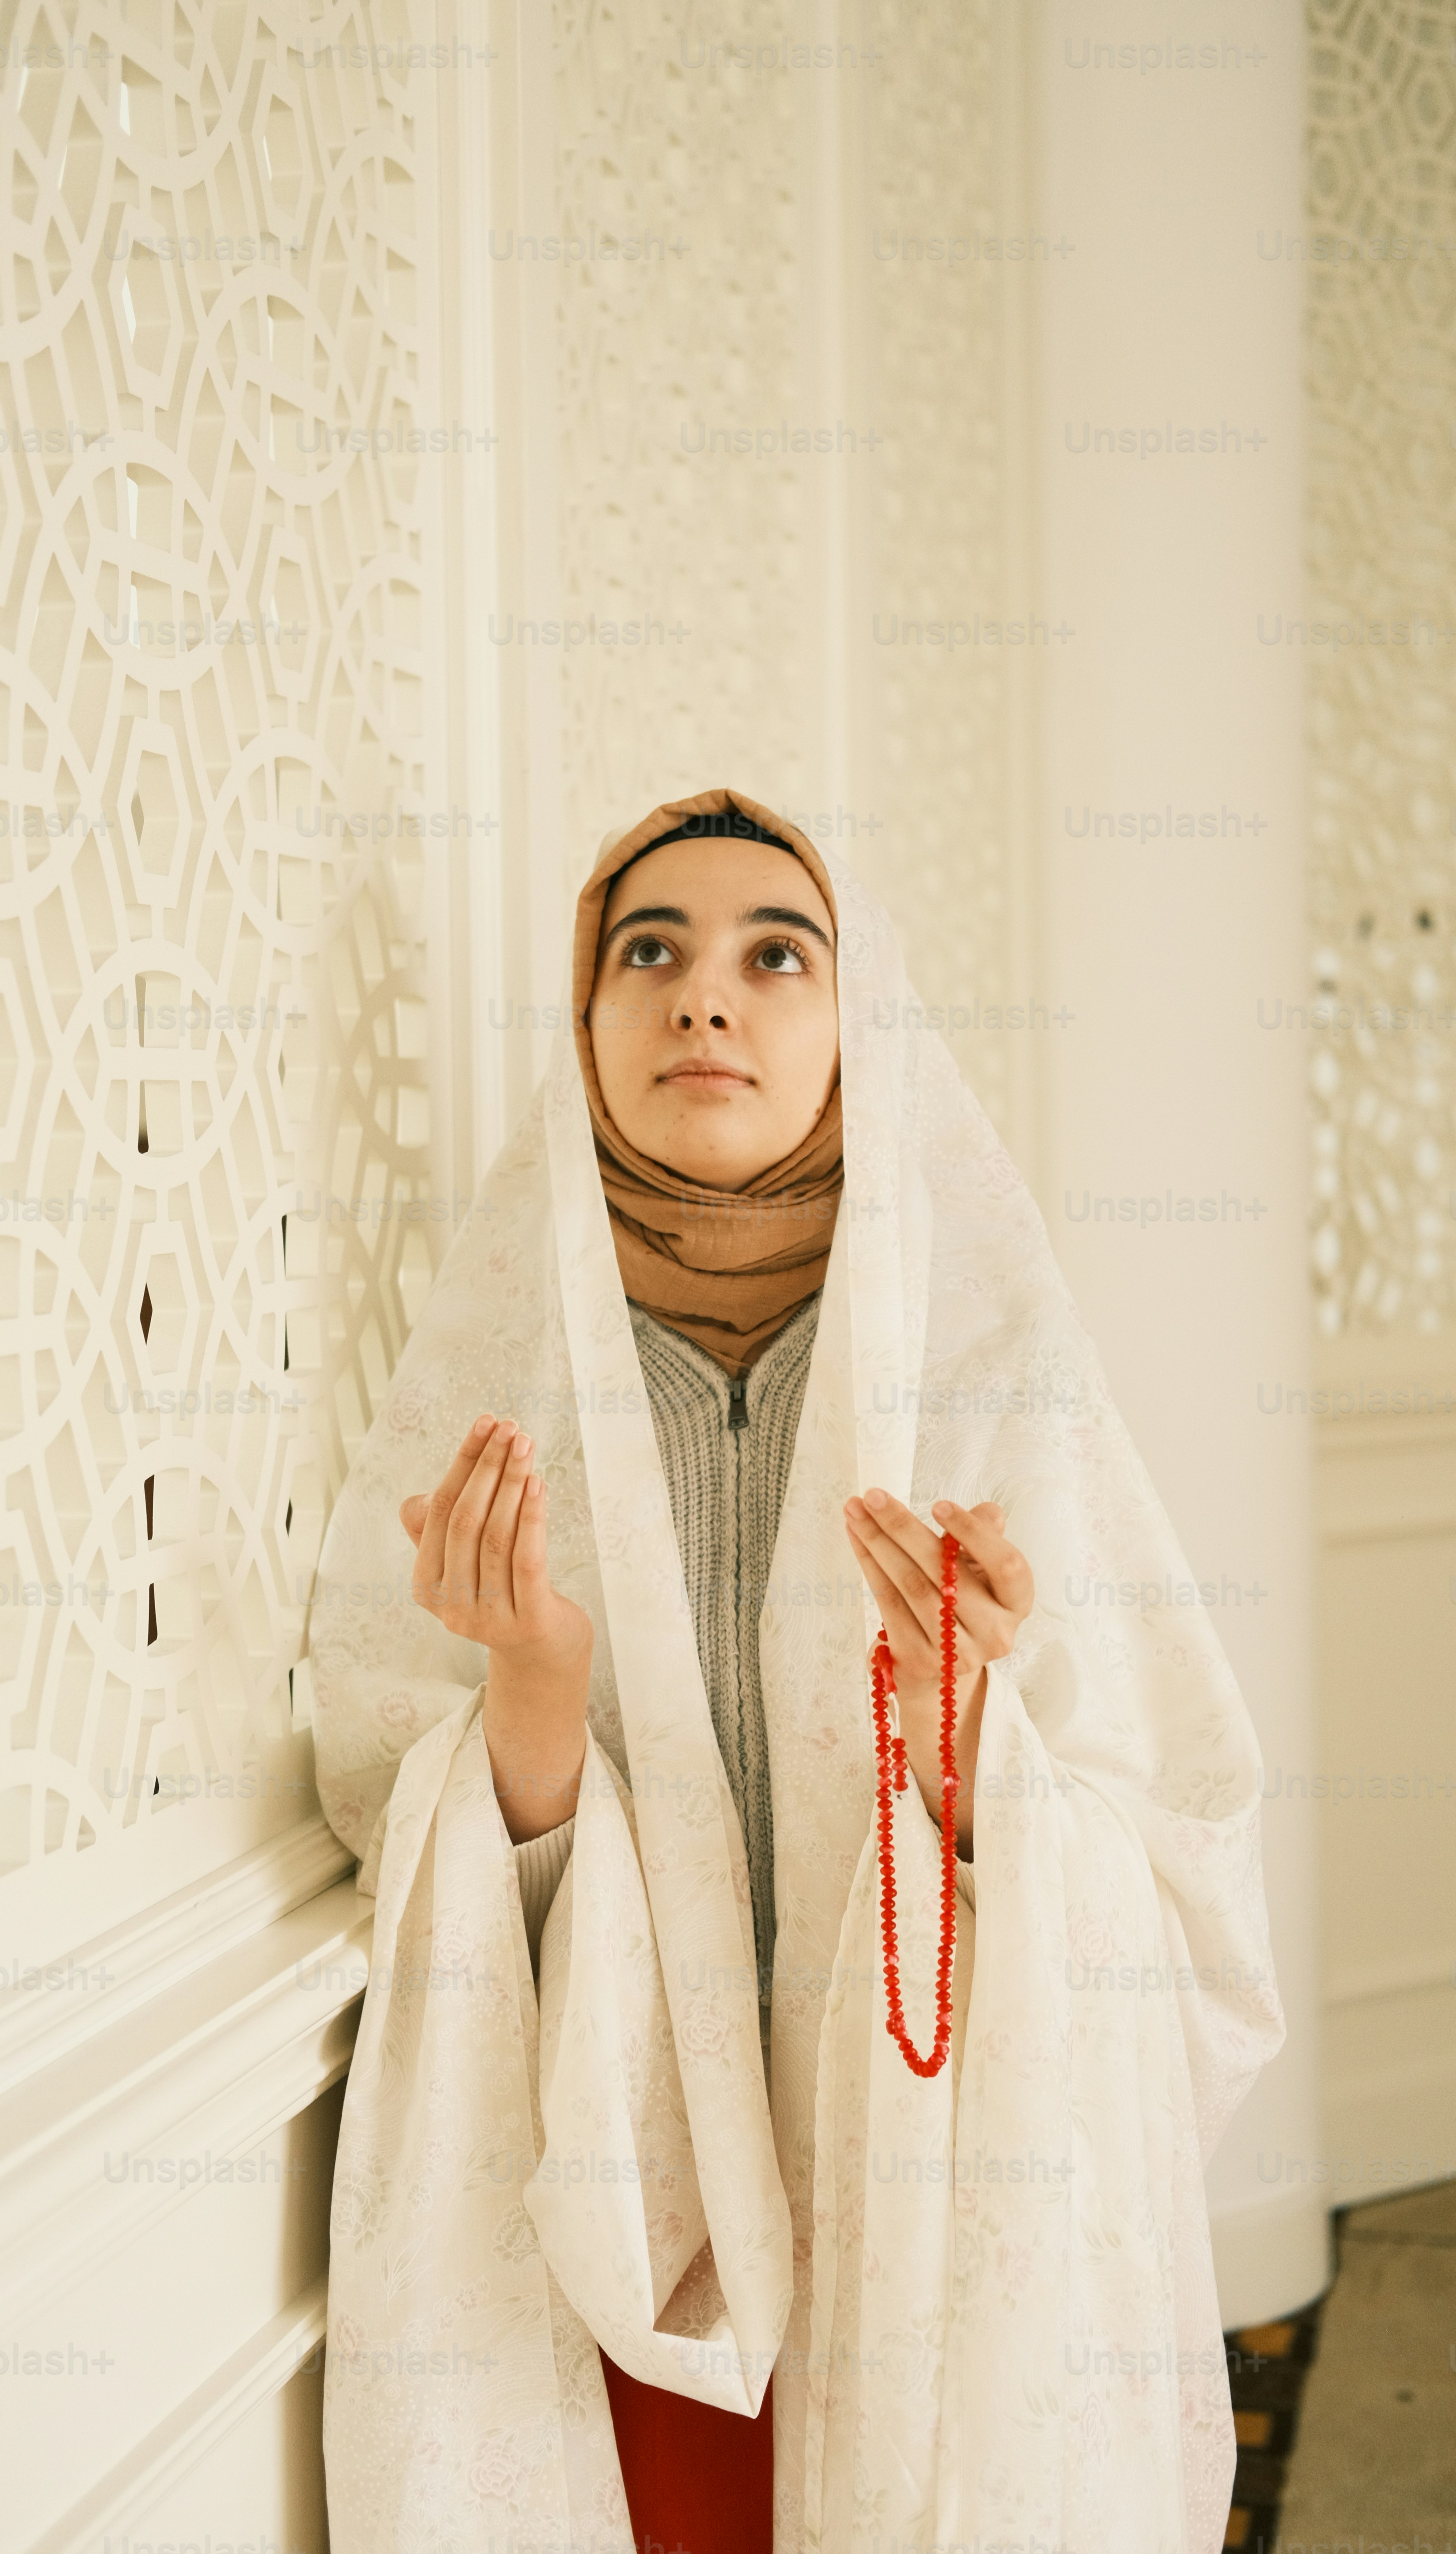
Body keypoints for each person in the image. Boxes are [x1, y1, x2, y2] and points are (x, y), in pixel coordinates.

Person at [311, 788, 1284, 2554]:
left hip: (926, 2199)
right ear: (586, 1021)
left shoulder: (990, 1368)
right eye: (647, 952)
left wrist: (966, 1733)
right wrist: (528, 1682)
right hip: (616, 2205)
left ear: (856, 1023)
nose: (707, 999)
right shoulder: (494, 1385)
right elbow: (415, 1830)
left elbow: (1173, 1850)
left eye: (777, 954)